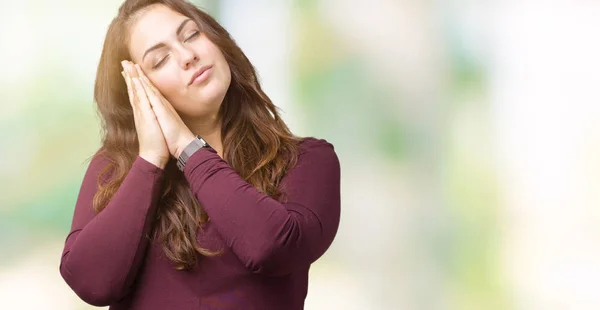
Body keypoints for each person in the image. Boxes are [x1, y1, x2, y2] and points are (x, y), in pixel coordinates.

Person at [58, 0, 341, 309]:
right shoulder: (117, 168)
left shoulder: (307, 160)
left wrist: (187, 148)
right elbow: (92, 283)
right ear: (138, 90)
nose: (187, 56)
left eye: (191, 35)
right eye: (160, 59)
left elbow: (273, 247)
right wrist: (151, 158)